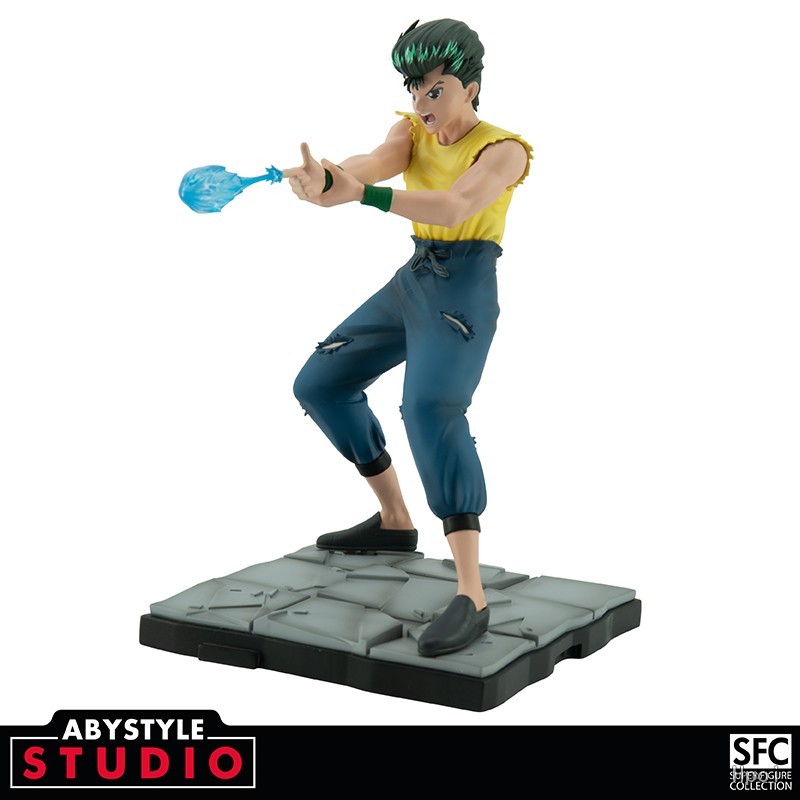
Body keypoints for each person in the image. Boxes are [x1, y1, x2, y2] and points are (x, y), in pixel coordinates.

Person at [284, 18, 532, 657]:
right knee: (321, 382)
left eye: (435, 89)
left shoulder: (504, 150)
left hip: (464, 290)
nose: (423, 102)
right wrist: (330, 177)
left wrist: (362, 195)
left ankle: (471, 593)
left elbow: (455, 204)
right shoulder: (412, 129)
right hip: (415, 280)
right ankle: (395, 521)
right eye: (415, 88)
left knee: (430, 410)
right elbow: (375, 162)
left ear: (469, 88)